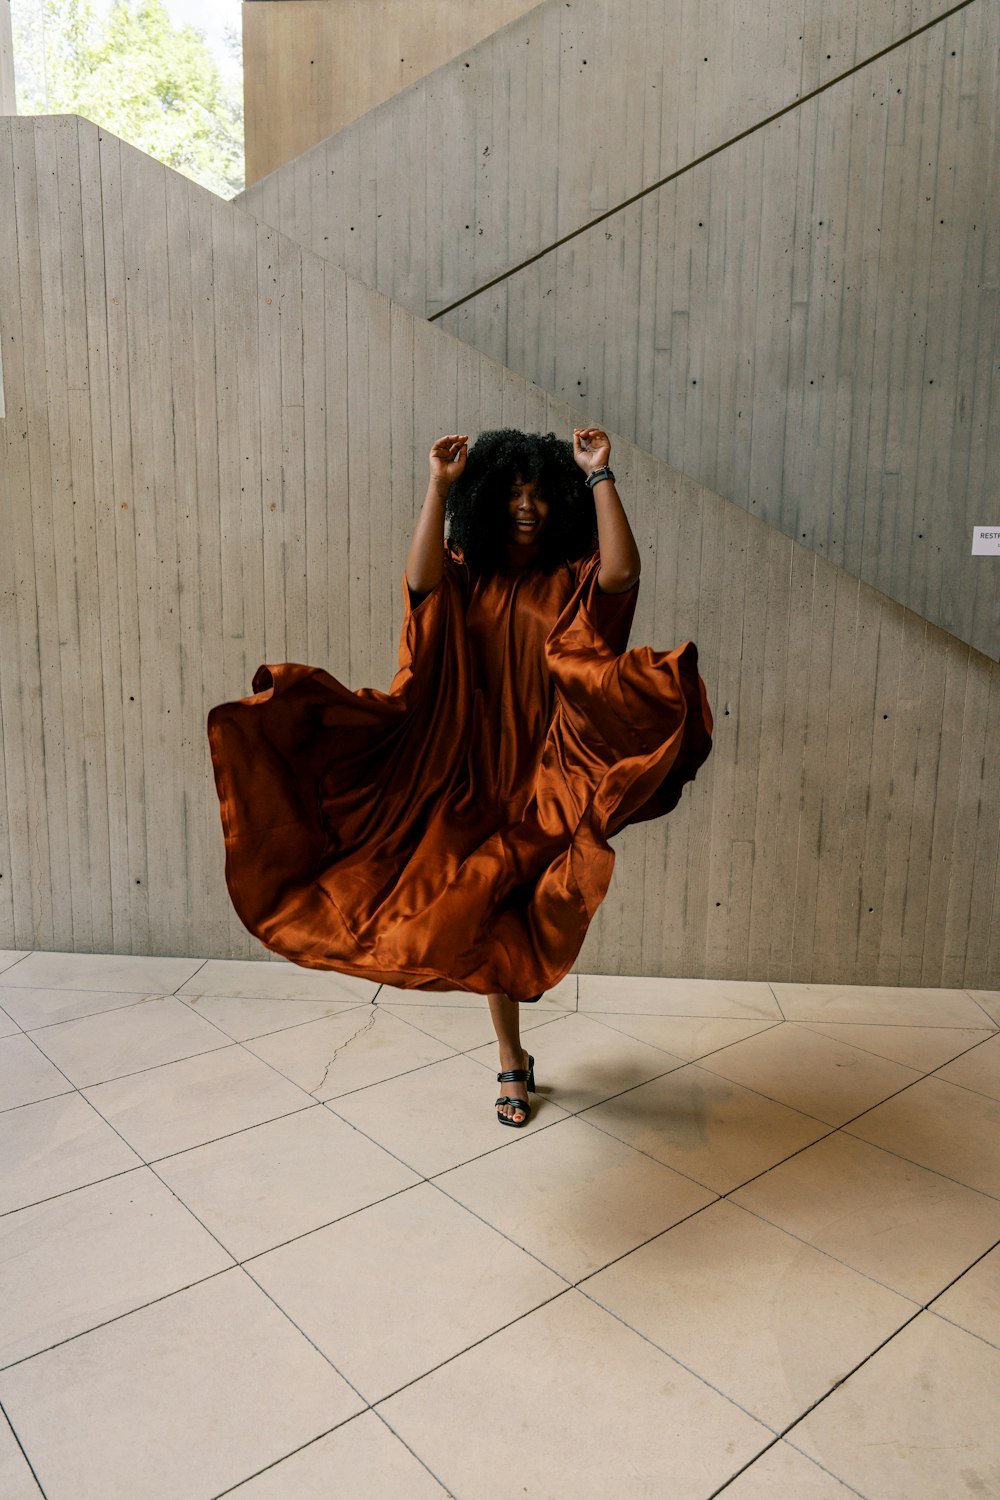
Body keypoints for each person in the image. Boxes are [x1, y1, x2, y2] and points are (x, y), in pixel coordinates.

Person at [207, 427, 712, 1127]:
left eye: (538, 493)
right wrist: (438, 487)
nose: (526, 505)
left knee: (513, 918)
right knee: (468, 912)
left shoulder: (570, 580)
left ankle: (514, 1060)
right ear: (488, 501)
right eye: (512, 492)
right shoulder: (466, 573)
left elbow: (622, 575)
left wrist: (600, 476)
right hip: (467, 774)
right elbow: (419, 585)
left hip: (543, 778)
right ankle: (511, 1060)